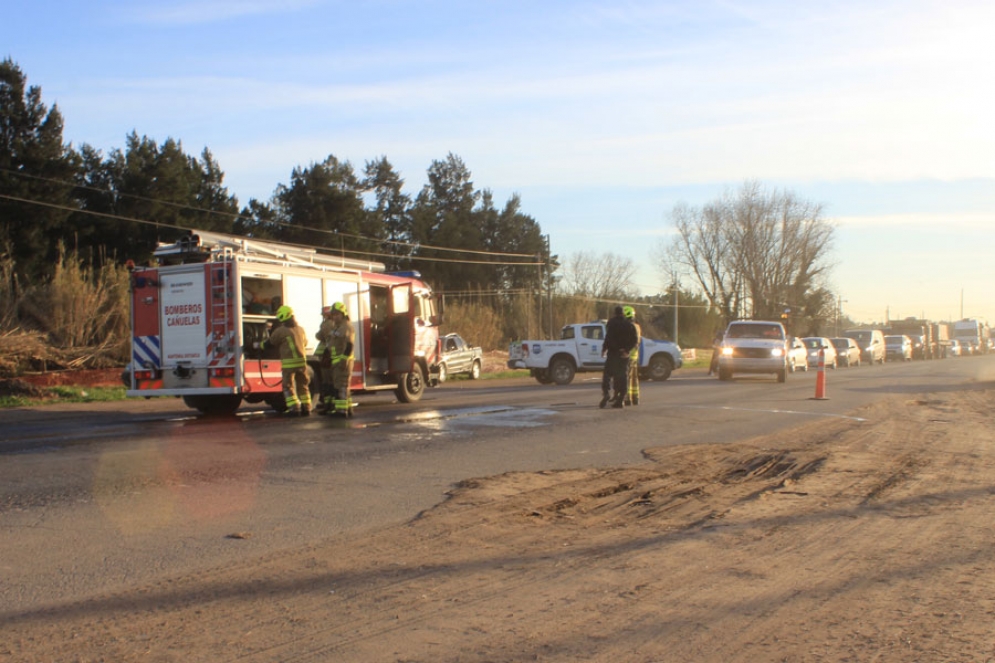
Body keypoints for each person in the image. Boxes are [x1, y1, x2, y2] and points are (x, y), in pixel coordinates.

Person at [264, 305, 311, 416]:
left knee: (288, 387)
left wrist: (259, 346)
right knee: (303, 386)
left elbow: (271, 343)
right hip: (302, 363)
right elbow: (305, 343)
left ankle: (295, 409)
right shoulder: (301, 329)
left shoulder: (281, 330)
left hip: (289, 365)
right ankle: (307, 408)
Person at [600, 305, 638, 409]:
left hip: (612, 353)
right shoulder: (629, 325)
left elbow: (608, 338)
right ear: (623, 313)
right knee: (622, 376)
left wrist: (604, 349)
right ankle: (621, 399)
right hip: (623, 355)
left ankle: (606, 392)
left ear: (615, 313)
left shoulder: (611, 323)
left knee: (607, 374)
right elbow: (634, 340)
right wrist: (626, 350)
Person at [323, 301, 356, 417]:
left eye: (337, 314)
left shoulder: (346, 327)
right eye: (333, 314)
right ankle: (348, 409)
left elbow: (349, 345)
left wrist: (344, 359)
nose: (335, 317)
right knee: (341, 386)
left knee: (341, 386)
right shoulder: (337, 327)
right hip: (336, 361)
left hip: (343, 362)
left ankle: (341, 411)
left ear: (343, 314)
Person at [314, 305, 336, 413]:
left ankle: (329, 405)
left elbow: (319, 336)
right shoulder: (335, 324)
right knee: (330, 382)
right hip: (329, 355)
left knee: (327, 382)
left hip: (325, 356)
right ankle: (330, 404)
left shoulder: (327, 324)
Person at [623, 306, 642, 406]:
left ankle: (627, 398)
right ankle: (636, 398)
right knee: (634, 378)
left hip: (629, 356)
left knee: (627, 378)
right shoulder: (637, 326)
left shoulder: (629, 327)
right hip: (635, 356)